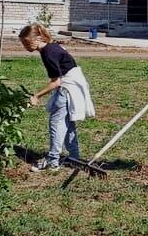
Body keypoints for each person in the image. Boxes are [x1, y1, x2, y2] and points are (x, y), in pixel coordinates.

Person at [19, 23, 95, 172]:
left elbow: (56, 81)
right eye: (23, 43)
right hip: (70, 86)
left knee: (56, 123)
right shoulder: (51, 48)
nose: (25, 46)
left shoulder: (48, 52)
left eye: (26, 42)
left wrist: (37, 96)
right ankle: (74, 158)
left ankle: (53, 161)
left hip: (67, 88)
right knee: (68, 124)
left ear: (38, 38)